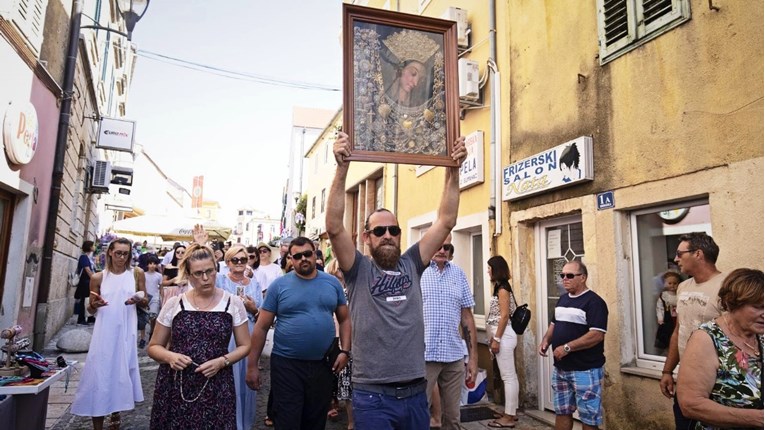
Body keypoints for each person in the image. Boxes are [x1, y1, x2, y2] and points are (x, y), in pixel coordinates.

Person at [326, 131, 466, 428]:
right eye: (379, 231)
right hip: (372, 395)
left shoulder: (412, 263)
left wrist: (453, 169)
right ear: (367, 237)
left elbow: (446, 220)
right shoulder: (358, 269)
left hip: (416, 392)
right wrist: (342, 168)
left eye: (394, 230)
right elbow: (335, 227)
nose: (388, 235)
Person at [245, 237, 351, 430]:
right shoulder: (279, 286)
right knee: (287, 420)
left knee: (316, 421)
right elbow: (261, 327)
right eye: (298, 256)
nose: (304, 259)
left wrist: (345, 351)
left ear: (315, 254)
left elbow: (344, 319)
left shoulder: (332, 283)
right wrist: (252, 365)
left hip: (322, 364)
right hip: (286, 365)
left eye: (308, 254)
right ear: (291, 260)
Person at [147, 241, 251, 430]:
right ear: (188, 275)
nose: (206, 278)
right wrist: (170, 356)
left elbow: (245, 345)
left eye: (210, 271)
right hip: (176, 385)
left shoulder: (233, 303)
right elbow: (154, 346)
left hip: (217, 384)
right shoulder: (174, 304)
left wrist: (222, 361)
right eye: (198, 273)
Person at [71, 238, 148, 430]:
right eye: (119, 253)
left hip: (126, 331)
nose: (122, 257)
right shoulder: (98, 277)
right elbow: (91, 309)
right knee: (99, 374)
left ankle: (116, 416)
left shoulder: (136, 274)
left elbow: (145, 300)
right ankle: (98, 423)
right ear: (110, 253)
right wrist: (94, 305)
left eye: (126, 253)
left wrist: (138, 300)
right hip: (104, 332)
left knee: (121, 373)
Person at [677, 268, 763, 429]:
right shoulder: (706, 339)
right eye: (759, 307)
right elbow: (690, 404)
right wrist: (758, 419)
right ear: (732, 303)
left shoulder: (760, 334)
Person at [659, 232, 726, 429]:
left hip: (717, 382)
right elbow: (679, 330)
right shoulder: (683, 287)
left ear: (698, 254)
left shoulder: (727, 286)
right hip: (686, 380)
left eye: (680, 253)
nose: (676, 259)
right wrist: (667, 370)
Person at [538, 260, 608, 430]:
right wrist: (546, 340)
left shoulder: (594, 302)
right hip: (561, 369)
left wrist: (567, 348)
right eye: (562, 275)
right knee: (562, 412)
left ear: (583, 277)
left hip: (586, 370)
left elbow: (596, 335)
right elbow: (554, 324)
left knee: (588, 418)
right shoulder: (562, 300)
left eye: (570, 275)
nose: (564, 279)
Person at [422, 237, 477, 430]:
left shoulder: (458, 274)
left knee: (453, 418)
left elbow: (467, 318)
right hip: (424, 356)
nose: (442, 250)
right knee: (418, 414)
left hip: (453, 356)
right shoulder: (418, 272)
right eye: (438, 245)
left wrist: (473, 359)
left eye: (447, 247)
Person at [213, 242, 262, 430]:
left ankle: (244, 424)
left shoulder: (254, 284)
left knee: (246, 379)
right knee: (228, 378)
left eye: (244, 259)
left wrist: (253, 308)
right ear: (228, 262)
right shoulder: (220, 281)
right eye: (236, 259)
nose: (240, 263)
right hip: (226, 335)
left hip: (249, 333)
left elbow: (261, 315)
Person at [485, 255, 520, 429]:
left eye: (490, 268)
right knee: (509, 376)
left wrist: (497, 339)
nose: (487, 271)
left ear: (496, 269)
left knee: (508, 376)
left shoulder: (503, 289)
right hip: (501, 335)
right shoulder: (499, 287)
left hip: (505, 335)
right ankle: (510, 410)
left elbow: (504, 316)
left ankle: (509, 416)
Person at [325, 259, 354, 430]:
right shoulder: (332, 288)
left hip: (351, 339)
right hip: (334, 335)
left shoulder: (354, 288)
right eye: (339, 269)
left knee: (347, 378)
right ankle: (331, 403)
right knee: (333, 372)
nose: (341, 272)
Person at [655, 271, 681, 351]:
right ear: (665, 284)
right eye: (670, 283)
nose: (672, 285)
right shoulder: (664, 295)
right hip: (667, 319)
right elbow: (660, 307)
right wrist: (660, 318)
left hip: (678, 319)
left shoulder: (679, 294)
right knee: (668, 335)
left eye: (675, 283)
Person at [143, 255, 163, 348]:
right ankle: (143, 337)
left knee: (153, 316)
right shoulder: (143, 274)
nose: (152, 265)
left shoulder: (159, 275)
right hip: (145, 296)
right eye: (150, 263)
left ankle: (152, 332)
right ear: (147, 264)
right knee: (143, 317)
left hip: (155, 297)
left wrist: (162, 298)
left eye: (154, 263)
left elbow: (161, 288)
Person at [74, 240, 96, 325]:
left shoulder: (88, 257)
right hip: (84, 283)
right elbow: (88, 270)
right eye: (93, 245)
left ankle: (90, 317)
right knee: (83, 301)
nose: (94, 247)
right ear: (90, 247)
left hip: (88, 282)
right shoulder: (83, 257)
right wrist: (95, 279)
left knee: (89, 300)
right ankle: (81, 319)